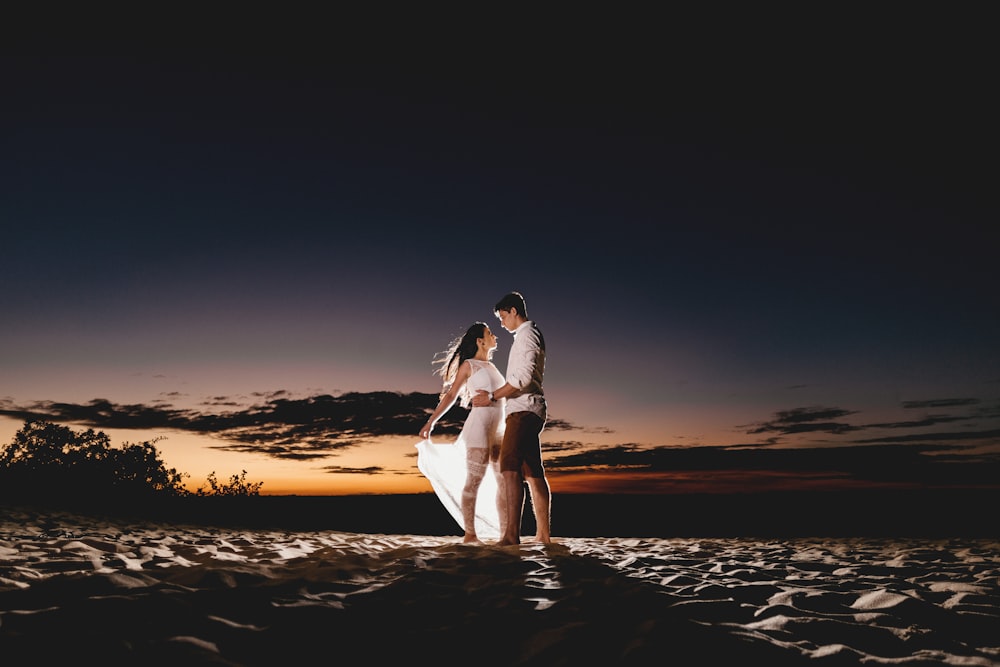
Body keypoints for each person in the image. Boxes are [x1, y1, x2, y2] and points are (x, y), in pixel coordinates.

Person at [471, 291, 551, 545]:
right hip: (527, 409)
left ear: (513, 311)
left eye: (503, 317)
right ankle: (543, 536)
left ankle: (510, 536)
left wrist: (492, 397)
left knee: (508, 468)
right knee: (533, 473)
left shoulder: (527, 336)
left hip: (524, 410)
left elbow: (521, 380)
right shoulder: (527, 335)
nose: (502, 324)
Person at [416, 322, 507, 543]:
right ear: (480, 341)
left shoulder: (494, 367)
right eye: (490, 333)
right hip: (479, 426)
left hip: (499, 428)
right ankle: (470, 534)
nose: (495, 336)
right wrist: (431, 422)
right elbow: (451, 395)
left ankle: (506, 533)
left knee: (503, 480)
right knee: (474, 480)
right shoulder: (469, 365)